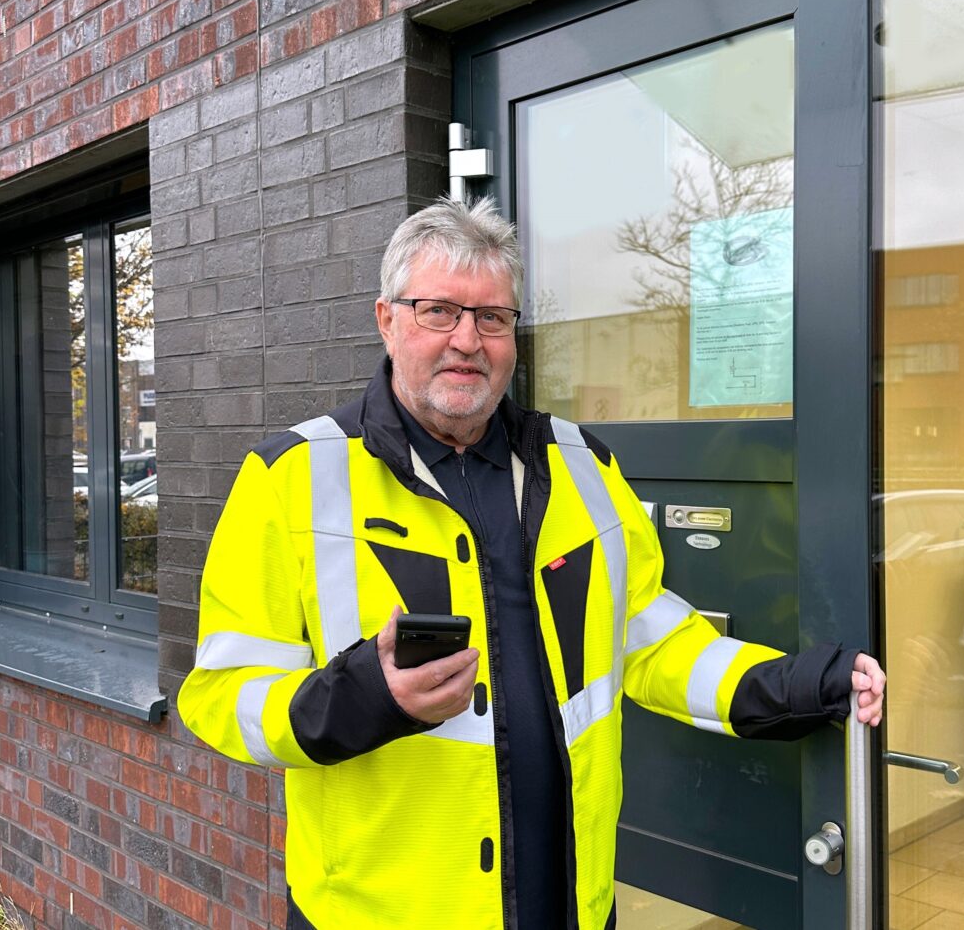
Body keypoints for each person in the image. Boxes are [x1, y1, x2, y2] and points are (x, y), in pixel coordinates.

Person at [178, 197, 885, 930]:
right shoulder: (292, 478)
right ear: (387, 320)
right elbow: (220, 693)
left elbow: (652, 638)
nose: (467, 340)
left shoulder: (581, 466)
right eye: (438, 311)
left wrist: (799, 683)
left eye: (492, 318)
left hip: (571, 903)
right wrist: (363, 696)